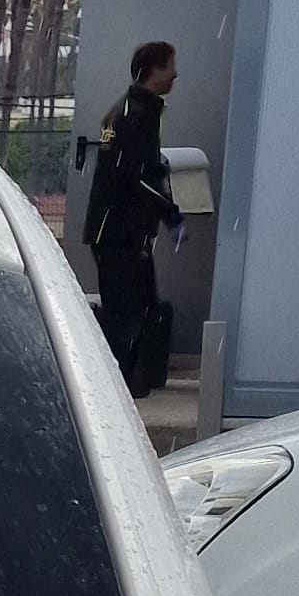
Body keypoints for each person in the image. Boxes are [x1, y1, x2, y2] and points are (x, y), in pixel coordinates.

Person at [82, 39, 183, 398]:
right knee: (125, 312)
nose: (176, 74)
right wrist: (170, 213)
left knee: (141, 307)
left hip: (125, 232)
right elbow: (135, 176)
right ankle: (113, 386)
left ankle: (130, 380)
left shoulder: (134, 111)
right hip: (118, 232)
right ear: (155, 70)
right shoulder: (132, 115)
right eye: (171, 65)